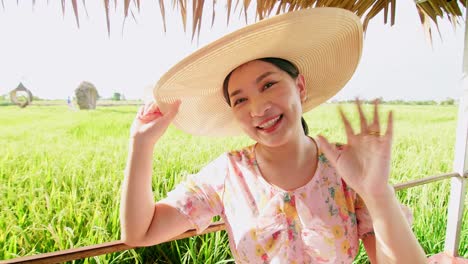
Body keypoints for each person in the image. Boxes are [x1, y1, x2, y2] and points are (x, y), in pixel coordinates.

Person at [120, 8, 427, 263]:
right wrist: (141, 144)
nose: (258, 109)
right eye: (240, 100)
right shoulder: (229, 174)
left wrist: (378, 195)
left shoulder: (346, 168)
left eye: (268, 85)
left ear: (300, 87)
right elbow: (140, 232)